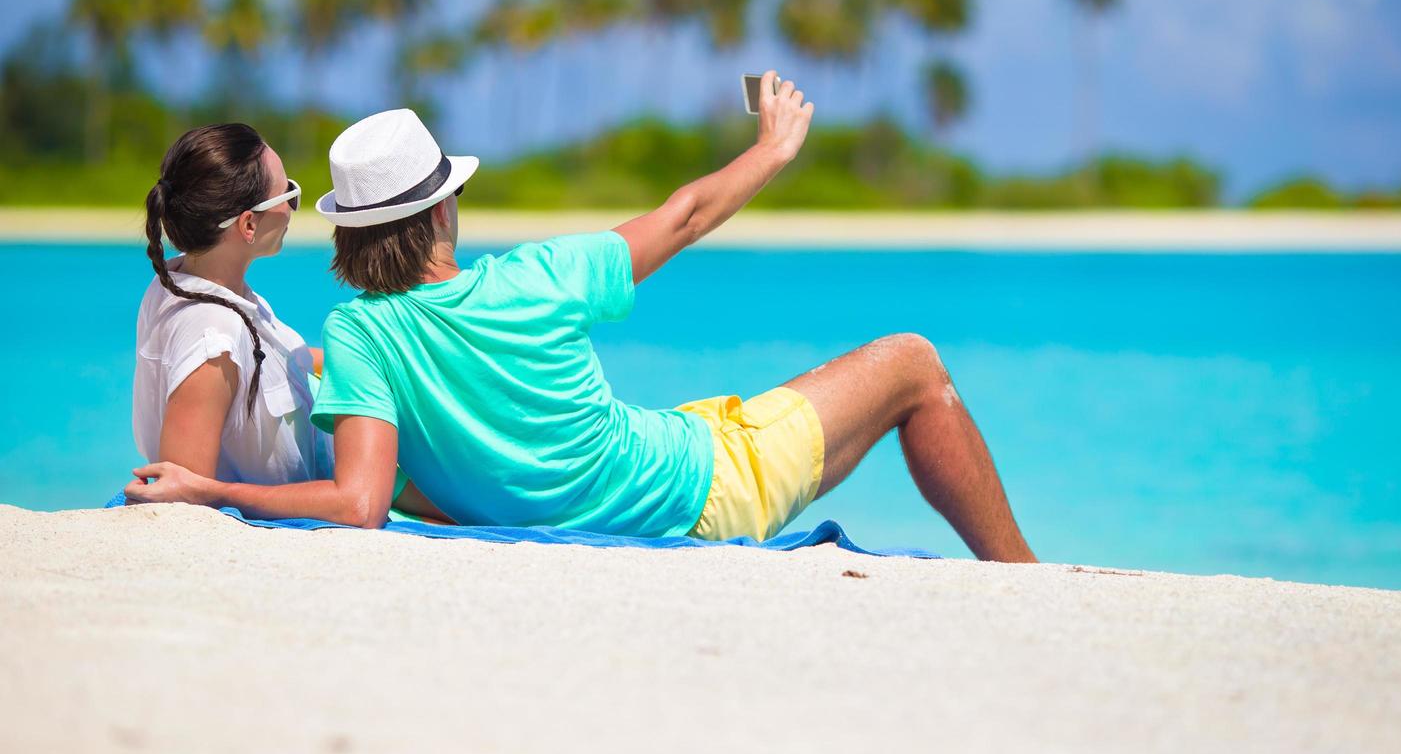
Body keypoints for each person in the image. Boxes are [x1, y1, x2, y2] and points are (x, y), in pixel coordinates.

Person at [129, 76, 1036, 561]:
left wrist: (213, 485)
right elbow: (681, 215)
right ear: (443, 210)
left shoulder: (365, 341)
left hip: (678, 456)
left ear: (353, 230)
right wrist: (772, 147)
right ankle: (1024, 582)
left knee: (723, 412)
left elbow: (365, 489)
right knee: (913, 363)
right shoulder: (540, 279)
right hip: (701, 491)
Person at [130, 123, 449, 523]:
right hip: (328, 492)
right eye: (289, 195)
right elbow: (183, 494)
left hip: (348, 462)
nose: (292, 208)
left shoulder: (192, 283)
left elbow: (284, 360)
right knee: (478, 502)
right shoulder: (213, 339)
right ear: (248, 225)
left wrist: (383, 365)